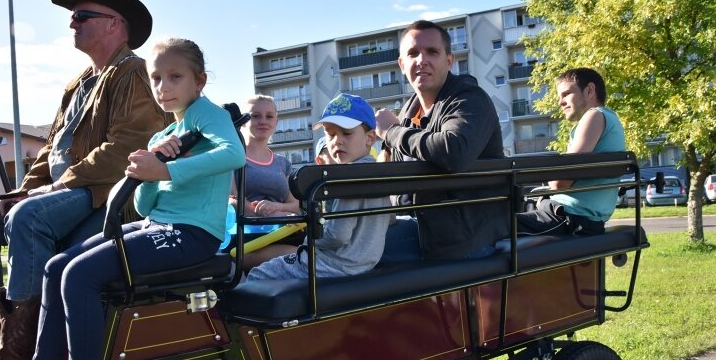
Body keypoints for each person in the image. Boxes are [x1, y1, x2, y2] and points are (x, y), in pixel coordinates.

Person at [0, 37, 246, 360]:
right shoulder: (163, 136)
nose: (163, 87)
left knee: (81, 276)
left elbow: (233, 154)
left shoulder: (208, 114)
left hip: (192, 235)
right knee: (57, 266)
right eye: (156, 79)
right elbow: (150, 206)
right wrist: (147, 170)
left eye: (175, 77)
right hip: (158, 225)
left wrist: (166, 170)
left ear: (199, 81)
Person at [0, 0, 168, 360]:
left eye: (82, 15)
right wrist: (21, 190)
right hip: (62, 192)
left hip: (102, 195)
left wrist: (48, 189)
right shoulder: (78, 84)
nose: (73, 21)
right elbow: (50, 149)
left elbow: (126, 148)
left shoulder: (135, 73)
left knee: (28, 218)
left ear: (115, 24)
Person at [375, 19, 508, 261]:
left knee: (347, 255)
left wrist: (392, 132)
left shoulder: (469, 98)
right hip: (420, 226)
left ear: (449, 60)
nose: (421, 60)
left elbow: (454, 150)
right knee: (339, 241)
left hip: (463, 237)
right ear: (402, 64)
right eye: (413, 53)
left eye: (432, 52)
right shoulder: (408, 112)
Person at [246, 93, 389, 280]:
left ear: (370, 138)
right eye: (330, 134)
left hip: (333, 263)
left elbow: (337, 235)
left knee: (258, 274)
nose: (337, 140)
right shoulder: (378, 173)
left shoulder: (347, 177)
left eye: (346, 133)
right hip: (364, 262)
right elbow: (389, 218)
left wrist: (309, 236)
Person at [516, 68, 625, 236]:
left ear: (590, 90)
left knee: (491, 227)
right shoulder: (609, 119)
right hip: (570, 216)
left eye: (566, 94)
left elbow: (560, 183)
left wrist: (550, 182)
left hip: (569, 219)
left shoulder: (594, 116)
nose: (560, 102)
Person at [230, 95, 302, 268]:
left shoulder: (282, 163)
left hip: (284, 232)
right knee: (303, 256)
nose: (263, 121)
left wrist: (276, 208)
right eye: (256, 116)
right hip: (248, 239)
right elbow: (231, 200)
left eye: (269, 116)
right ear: (244, 121)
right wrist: (258, 211)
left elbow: (295, 205)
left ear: (276, 122)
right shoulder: (233, 157)